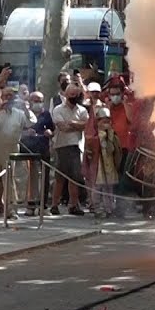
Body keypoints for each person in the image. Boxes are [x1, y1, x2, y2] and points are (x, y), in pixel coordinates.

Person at [0, 86, 34, 219]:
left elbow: (31, 123)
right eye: (6, 95)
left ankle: (11, 209)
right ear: (2, 97)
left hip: (12, 148)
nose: (8, 98)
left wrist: (25, 107)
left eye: (11, 95)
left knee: (10, 179)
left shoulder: (20, 113)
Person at [50, 83, 89, 215]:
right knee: (60, 177)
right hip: (62, 146)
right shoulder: (58, 109)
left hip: (77, 146)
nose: (74, 97)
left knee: (75, 177)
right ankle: (54, 205)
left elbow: (86, 125)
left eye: (76, 95)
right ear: (66, 95)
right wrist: (77, 125)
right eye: (71, 94)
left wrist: (72, 123)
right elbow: (62, 127)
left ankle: (73, 205)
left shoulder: (82, 110)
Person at [93, 108, 123, 217]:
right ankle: (97, 208)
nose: (106, 124)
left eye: (107, 121)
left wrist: (109, 137)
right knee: (97, 187)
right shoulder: (94, 135)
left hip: (109, 163)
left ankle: (109, 208)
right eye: (103, 121)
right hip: (98, 165)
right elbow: (91, 150)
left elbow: (113, 150)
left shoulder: (112, 136)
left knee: (109, 187)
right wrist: (101, 138)